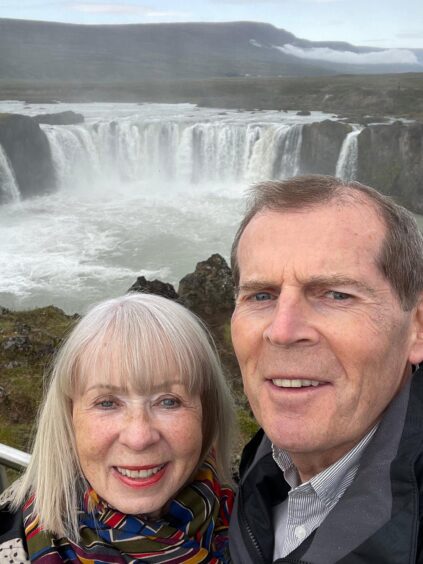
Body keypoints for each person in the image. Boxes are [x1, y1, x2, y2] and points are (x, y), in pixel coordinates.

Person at [228, 175, 423, 563]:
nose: (282, 332)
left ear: (416, 327)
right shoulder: (257, 469)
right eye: (261, 295)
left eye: (336, 294)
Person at [0, 293, 235, 563]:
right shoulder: (11, 542)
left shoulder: (263, 524)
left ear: (206, 414)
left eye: (169, 401)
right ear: (69, 416)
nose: (139, 437)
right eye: (107, 403)